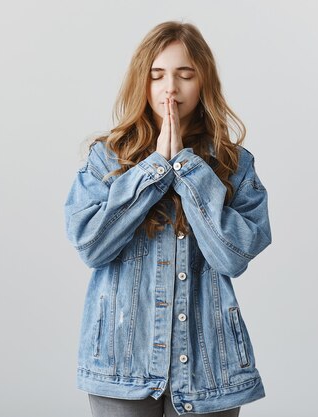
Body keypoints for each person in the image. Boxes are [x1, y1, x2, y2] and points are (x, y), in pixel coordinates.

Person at [64, 20, 272, 417]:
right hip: (120, 359)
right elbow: (91, 245)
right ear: (142, 83)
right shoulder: (106, 158)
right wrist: (156, 168)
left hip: (210, 367)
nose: (170, 88)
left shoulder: (235, 165)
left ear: (203, 82)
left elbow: (233, 257)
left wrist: (187, 168)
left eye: (185, 74)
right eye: (157, 75)